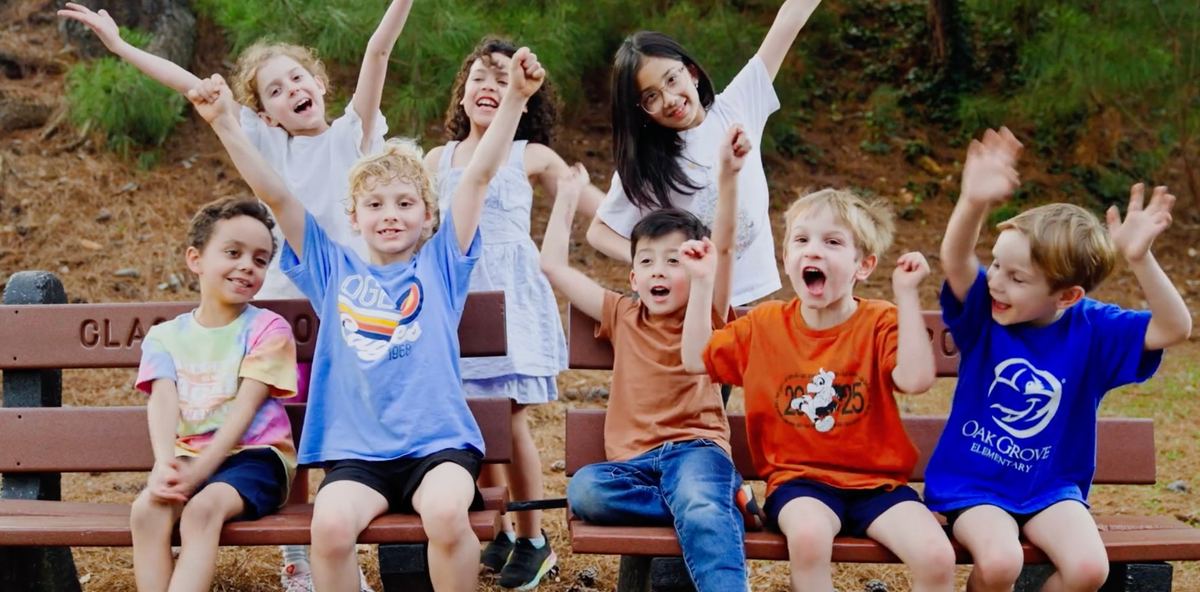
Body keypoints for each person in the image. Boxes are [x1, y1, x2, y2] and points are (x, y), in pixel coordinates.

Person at [58, 3, 416, 588]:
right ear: (265, 112)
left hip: (349, 305)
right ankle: (298, 559)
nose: (291, 90)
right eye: (274, 89)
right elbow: (199, 90)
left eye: (297, 78)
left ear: (320, 84)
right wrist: (121, 47)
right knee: (281, 421)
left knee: (328, 428)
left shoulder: (355, 131)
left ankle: (330, 551)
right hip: (277, 305)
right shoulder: (265, 143)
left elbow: (377, 51)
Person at [187, 45, 547, 592]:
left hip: (438, 447)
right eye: (375, 205)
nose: (391, 215)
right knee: (329, 529)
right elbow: (276, 195)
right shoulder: (332, 267)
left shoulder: (441, 262)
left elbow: (475, 179)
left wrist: (517, 99)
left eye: (405, 204)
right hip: (358, 455)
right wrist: (224, 126)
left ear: (428, 216)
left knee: (448, 516)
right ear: (353, 217)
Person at [924, 127, 1193, 592]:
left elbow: (1175, 328)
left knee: (1089, 568)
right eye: (998, 265)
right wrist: (972, 201)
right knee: (1001, 560)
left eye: (1017, 278)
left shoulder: (1093, 330)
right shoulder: (983, 316)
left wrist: (1141, 257)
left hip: (1051, 489)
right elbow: (956, 259)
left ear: (1067, 296)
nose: (997, 282)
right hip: (974, 485)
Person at [681, 188, 956, 592]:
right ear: (786, 258)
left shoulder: (880, 321)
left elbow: (914, 380)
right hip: (800, 482)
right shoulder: (765, 325)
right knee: (809, 539)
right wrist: (701, 284)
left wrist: (908, 296)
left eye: (832, 242)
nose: (814, 251)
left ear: (863, 265)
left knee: (937, 558)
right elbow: (695, 360)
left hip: (878, 486)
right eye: (801, 240)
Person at [423, 36, 606, 588]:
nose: (489, 87)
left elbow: (604, 214)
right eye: (480, 76)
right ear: (462, 91)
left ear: (524, 97)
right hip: (456, 298)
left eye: (503, 80)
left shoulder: (530, 155)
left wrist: (657, 235)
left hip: (511, 296)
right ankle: (499, 529)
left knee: (512, 417)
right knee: (473, 419)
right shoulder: (436, 160)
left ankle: (533, 537)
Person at [544, 125, 756, 592]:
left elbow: (721, 246)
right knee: (585, 491)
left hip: (695, 451)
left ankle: (713, 525)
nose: (658, 269)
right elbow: (554, 267)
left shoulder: (708, 310)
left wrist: (728, 175)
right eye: (646, 261)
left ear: (697, 266)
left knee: (700, 503)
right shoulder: (621, 313)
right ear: (634, 276)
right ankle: (718, 502)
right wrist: (567, 195)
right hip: (632, 466)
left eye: (674, 260)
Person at [587, 0, 823, 306]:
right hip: (692, 308)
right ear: (642, 110)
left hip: (757, 297)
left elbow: (791, 17)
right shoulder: (649, 161)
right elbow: (599, 231)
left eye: (672, 79)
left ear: (692, 73)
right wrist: (655, 258)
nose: (669, 99)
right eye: (651, 97)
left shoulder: (737, 105)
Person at [132, 197, 298, 592]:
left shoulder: (268, 329)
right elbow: (162, 400)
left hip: (256, 458)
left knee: (201, 512)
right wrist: (166, 464)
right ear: (196, 259)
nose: (247, 266)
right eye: (232, 252)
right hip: (188, 456)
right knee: (146, 512)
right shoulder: (165, 337)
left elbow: (245, 408)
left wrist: (202, 469)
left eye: (259, 260)